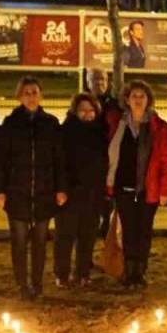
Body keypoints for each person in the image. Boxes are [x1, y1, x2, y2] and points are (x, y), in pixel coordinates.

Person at [0, 77, 66, 299]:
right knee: (18, 240)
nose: (31, 96)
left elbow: (59, 160)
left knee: (40, 242)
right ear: (19, 96)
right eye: (26, 92)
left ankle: (37, 282)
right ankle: (22, 283)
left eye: (34, 92)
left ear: (41, 95)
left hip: (44, 192)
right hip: (17, 192)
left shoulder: (51, 123)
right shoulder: (10, 124)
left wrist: (61, 188)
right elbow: (1, 160)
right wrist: (0, 190)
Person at [106, 80, 167, 290]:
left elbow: (166, 161)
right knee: (128, 231)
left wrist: (164, 190)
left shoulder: (159, 127)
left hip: (148, 189)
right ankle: (129, 271)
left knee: (144, 231)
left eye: (142, 96)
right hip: (123, 187)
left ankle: (140, 271)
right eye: (134, 96)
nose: (137, 99)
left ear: (148, 100)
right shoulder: (116, 124)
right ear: (126, 99)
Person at [56, 93, 108, 289]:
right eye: (82, 110)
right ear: (75, 111)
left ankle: (82, 273)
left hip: (93, 193)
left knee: (88, 236)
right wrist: (61, 189)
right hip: (70, 192)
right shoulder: (66, 132)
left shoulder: (101, 133)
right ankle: (62, 274)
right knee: (65, 236)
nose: (87, 114)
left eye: (91, 110)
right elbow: (59, 163)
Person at [87, 68, 119, 236]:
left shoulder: (114, 104)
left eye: (103, 79)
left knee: (108, 196)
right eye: (95, 79)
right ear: (88, 82)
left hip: (109, 157)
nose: (99, 83)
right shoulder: (82, 103)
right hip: (89, 157)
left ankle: (106, 225)